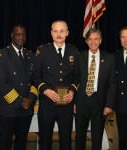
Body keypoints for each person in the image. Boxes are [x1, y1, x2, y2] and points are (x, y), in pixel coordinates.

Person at [34, 20, 80, 150]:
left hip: (66, 104)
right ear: (51, 33)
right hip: (47, 103)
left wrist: (72, 91)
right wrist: (45, 90)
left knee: (66, 140)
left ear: (67, 33)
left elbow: (78, 76)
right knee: (45, 140)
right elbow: (35, 77)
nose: (58, 34)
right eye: (55, 31)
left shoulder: (74, 51)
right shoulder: (42, 51)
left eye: (61, 31)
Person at [0, 24, 38, 150]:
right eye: (18, 34)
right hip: (10, 109)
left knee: (21, 143)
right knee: (4, 144)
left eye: (23, 34)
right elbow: (1, 83)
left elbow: (35, 81)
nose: (21, 37)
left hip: (26, 110)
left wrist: (30, 99)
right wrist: (20, 101)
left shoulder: (30, 55)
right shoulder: (2, 55)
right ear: (12, 36)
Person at [75, 28, 116, 150]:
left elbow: (112, 83)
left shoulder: (109, 58)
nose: (93, 42)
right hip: (81, 102)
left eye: (96, 39)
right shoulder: (79, 56)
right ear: (86, 41)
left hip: (99, 103)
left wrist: (109, 105)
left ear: (100, 41)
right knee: (79, 137)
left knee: (97, 138)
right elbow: (74, 80)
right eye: (90, 39)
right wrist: (74, 102)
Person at [115, 26, 127, 150]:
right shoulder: (115, 57)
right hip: (122, 107)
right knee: (123, 139)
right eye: (123, 37)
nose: (126, 40)